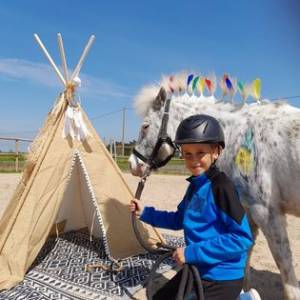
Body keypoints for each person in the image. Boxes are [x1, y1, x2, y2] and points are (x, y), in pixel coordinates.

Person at [130, 114, 257, 300]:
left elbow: (242, 238)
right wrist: (146, 213)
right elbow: (178, 219)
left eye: (200, 152)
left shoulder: (222, 188)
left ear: (216, 151)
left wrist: (191, 252)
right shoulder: (195, 186)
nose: (194, 160)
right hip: (198, 266)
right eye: (187, 154)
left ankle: (244, 298)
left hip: (222, 275)